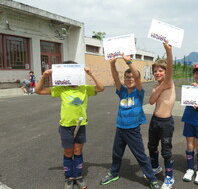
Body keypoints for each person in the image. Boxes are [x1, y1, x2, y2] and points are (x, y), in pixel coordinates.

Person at [35, 61, 105, 189]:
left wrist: (91, 74)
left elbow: (101, 88)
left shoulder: (84, 88)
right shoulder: (61, 89)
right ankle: (69, 178)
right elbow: (38, 90)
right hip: (66, 126)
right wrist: (44, 75)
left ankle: (77, 176)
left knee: (78, 151)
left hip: (80, 125)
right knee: (68, 152)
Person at [99, 55, 160, 189]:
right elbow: (115, 78)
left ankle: (152, 178)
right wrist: (112, 64)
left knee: (140, 155)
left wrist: (128, 61)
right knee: (116, 153)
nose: (130, 79)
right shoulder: (122, 92)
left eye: (132, 77)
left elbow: (137, 77)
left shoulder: (139, 91)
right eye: (127, 77)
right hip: (120, 128)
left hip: (133, 129)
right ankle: (114, 173)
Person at [147, 41, 176, 189]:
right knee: (152, 146)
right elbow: (151, 101)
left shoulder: (169, 82)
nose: (158, 73)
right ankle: (155, 167)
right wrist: (160, 87)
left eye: (161, 71)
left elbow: (170, 67)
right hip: (154, 120)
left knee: (166, 151)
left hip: (166, 123)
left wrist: (168, 52)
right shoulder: (155, 86)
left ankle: (169, 177)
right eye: (155, 71)